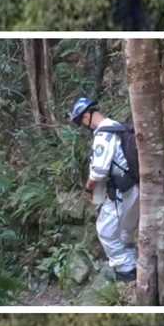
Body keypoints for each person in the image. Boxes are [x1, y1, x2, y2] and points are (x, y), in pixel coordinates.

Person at [69, 96, 138, 281]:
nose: (84, 126)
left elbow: (98, 171)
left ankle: (126, 271)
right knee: (125, 231)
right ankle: (134, 265)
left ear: (86, 116)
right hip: (133, 185)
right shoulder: (116, 126)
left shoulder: (103, 135)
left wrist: (88, 187)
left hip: (120, 190)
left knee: (106, 231)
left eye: (81, 122)